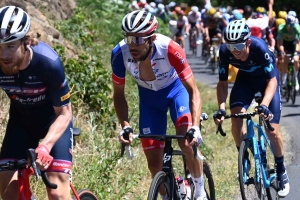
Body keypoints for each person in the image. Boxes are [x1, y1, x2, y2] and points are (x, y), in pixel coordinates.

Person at [111, 10, 206, 200]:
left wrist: (195, 126)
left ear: (151, 38)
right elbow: (119, 95)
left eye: (138, 40)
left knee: (186, 142)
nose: (132, 45)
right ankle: (166, 195)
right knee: (154, 163)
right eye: (129, 38)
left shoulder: (170, 48)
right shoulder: (119, 54)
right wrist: (125, 125)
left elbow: (193, 91)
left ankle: (200, 190)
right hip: (149, 100)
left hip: (175, 93)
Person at [0, 5, 73, 200]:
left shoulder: (48, 63)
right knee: (8, 192)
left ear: (26, 42)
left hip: (53, 120)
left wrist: (45, 146)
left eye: (9, 46)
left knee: (56, 191)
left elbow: (65, 113)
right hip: (21, 123)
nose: (3, 55)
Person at [214, 19, 290, 197]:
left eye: (239, 46)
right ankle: (245, 158)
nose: (235, 51)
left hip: (266, 83)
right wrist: (221, 108)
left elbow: (272, 80)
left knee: (272, 131)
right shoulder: (225, 51)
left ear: (248, 41)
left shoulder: (260, 48)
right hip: (245, 82)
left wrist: (264, 105)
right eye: (231, 46)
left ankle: (281, 170)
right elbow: (223, 83)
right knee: (236, 117)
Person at [277, 14, 300, 91]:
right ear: (286, 23)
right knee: (285, 59)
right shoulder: (281, 28)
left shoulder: (297, 28)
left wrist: (296, 51)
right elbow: (280, 43)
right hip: (285, 44)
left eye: (292, 25)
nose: (290, 27)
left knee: (296, 59)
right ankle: (284, 80)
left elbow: (298, 42)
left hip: (294, 44)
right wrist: (282, 51)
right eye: (289, 25)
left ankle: (295, 79)